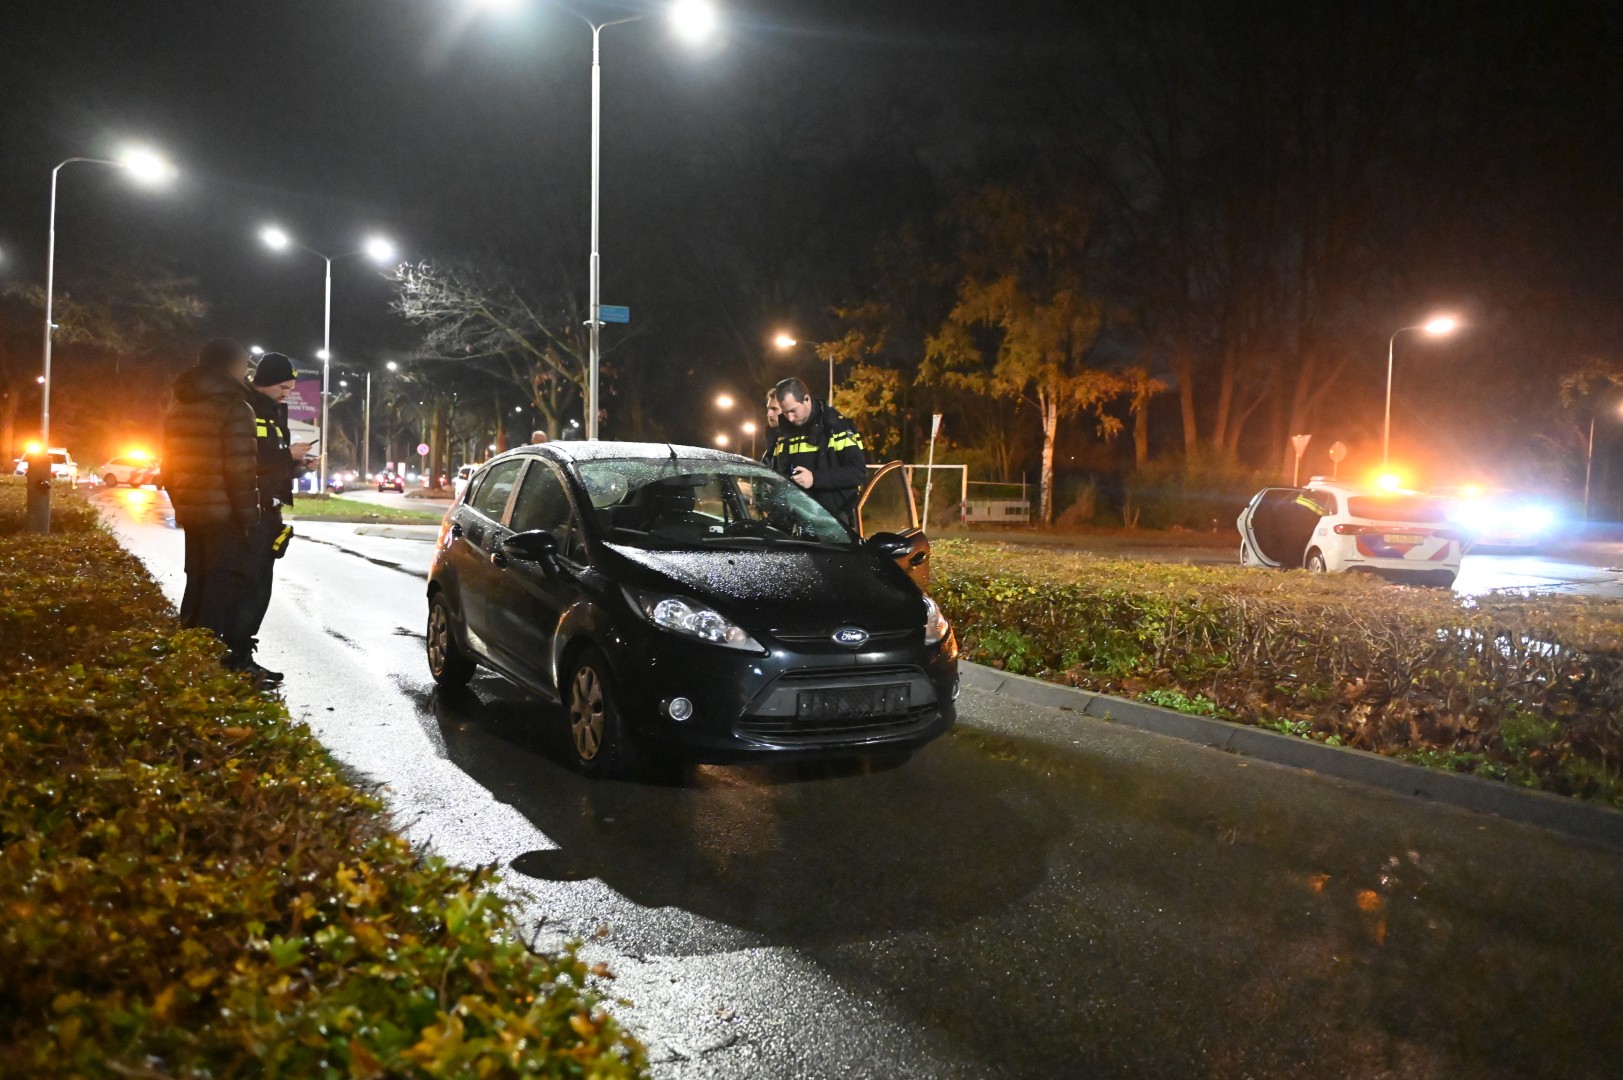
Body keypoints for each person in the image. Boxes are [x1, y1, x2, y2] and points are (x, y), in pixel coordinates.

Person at [161, 338, 262, 675]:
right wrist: (250, 517)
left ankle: (185, 657)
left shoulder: (180, 404)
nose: (247, 370)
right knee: (220, 587)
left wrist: (183, 502)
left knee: (197, 580)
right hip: (225, 515)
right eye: (245, 362)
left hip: (193, 512)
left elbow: (168, 467)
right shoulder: (235, 407)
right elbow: (240, 470)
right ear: (231, 366)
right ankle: (205, 670)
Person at [239, 352, 315, 683]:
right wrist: (288, 454)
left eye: (291, 387)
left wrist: (298, 466)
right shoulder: (245, 407)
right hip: (252, 510)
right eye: (284, 386)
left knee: (260, 588)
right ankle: (237, 658)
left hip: (269, 510)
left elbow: (274, 464)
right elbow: (248, 458)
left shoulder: (275, 411)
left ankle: (244, 655)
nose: (288, 393)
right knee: (248, 587)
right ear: (267, 380)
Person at [764, 376, 867, 525]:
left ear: (806, 399)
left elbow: (857, 473)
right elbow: (775, 470)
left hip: (833, 522)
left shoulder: (836, 426)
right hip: (794, 519)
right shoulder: (783, 431)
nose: (790, 418)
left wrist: (814, 479)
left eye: (793, 411)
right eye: (785, 412)